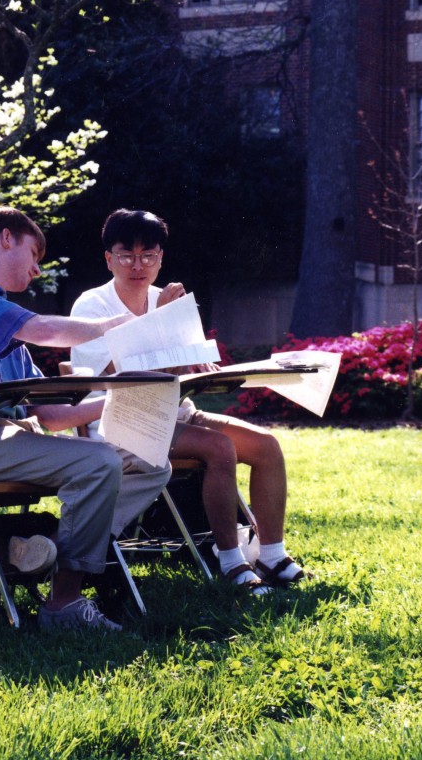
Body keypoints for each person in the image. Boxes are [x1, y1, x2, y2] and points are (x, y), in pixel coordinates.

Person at [0, 204, 170, 632]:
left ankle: (52, 545)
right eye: (35, 256)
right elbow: (42, 330)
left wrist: (129, 391)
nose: (35, 271)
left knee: (149, 460)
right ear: (7, 238)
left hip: (2, 436)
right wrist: (117, 325)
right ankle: (63, 603)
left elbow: (51, 416)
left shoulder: (9, 338)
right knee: (99, 463)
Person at [71, 208, 309, 595]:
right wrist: (160, 322)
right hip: (121, 420)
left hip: (176, 412)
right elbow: (109, 373)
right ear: (108, 258)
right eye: (126, 255)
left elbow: (183, 368)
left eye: (148, 255)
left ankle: (272, 554)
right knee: (217, 448)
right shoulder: (91, 305)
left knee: (266, 445)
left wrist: (205, 366)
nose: (138, 265)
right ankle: (231, 562)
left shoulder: (165, 299)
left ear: (161, 258)